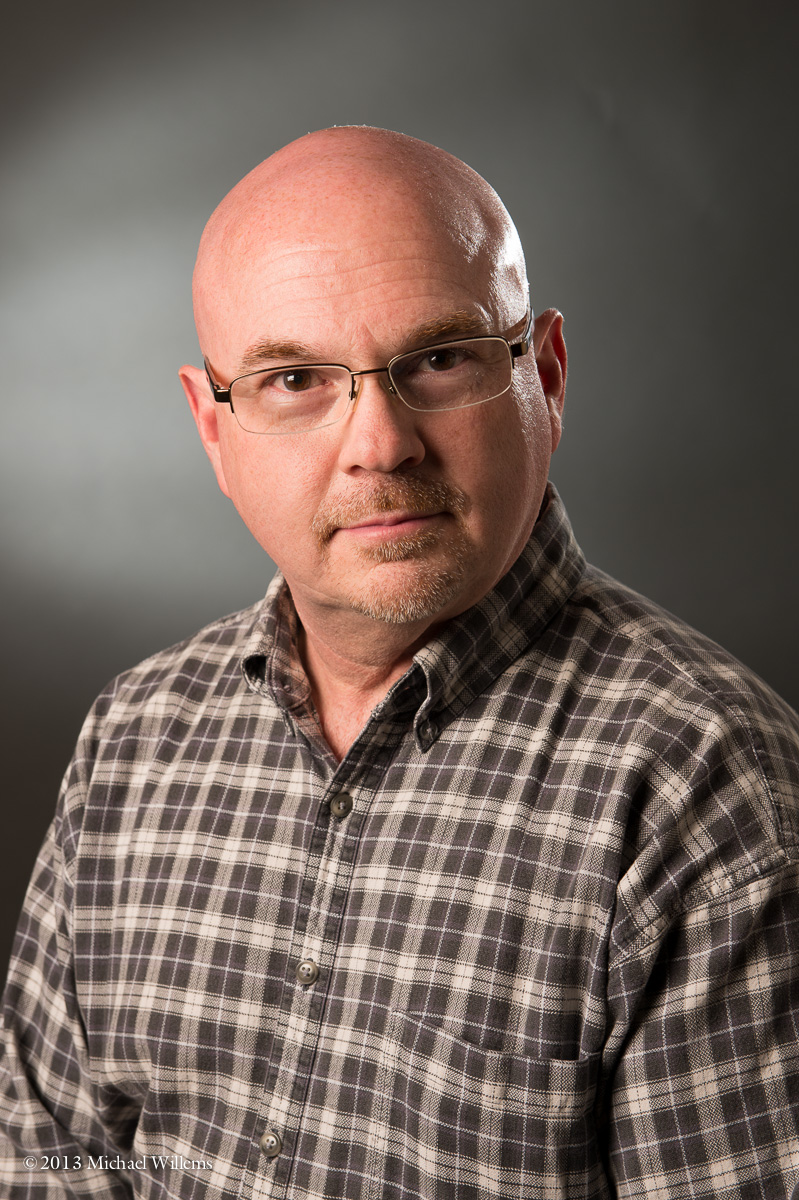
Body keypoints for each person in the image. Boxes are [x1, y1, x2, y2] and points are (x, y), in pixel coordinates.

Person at [1, 126, 798, 1199]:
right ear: (212, 430)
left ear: (545, 376)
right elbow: (50, 1164)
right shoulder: (132, 741)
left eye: (438, 359)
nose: (380, 444)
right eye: (293, 378)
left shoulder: (707, 790)